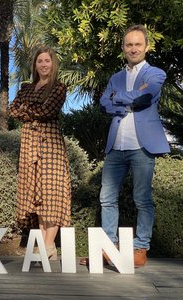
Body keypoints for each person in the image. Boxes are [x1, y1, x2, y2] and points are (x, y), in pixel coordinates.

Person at [80, 24, 170, 267]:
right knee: (107, 198)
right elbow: (103, 104)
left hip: (142, 146)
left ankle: (140, 248)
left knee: (142, 198)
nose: (133, 49)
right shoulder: (116, 77)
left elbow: (146, 96)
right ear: (123, 48)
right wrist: (125, 99)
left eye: (138, 44)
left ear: (146, 47)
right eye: (129, 44)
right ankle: (109, 246)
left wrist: (117, 98)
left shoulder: (156, 74)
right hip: (116, 145)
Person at [9, 47, 71, 260]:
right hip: (29, 145)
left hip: (50, 144)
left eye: (47, 61)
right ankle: (46, 246)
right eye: (40, 61)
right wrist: (31, 111)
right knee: (37, 195)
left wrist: (27, 111)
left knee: (51, 193)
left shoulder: (59, 87)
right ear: (34, 65)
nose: (44, 64)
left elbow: (48, 111)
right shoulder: (26, 88)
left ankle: (47, 245)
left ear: (53, 64)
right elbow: (12, 109)